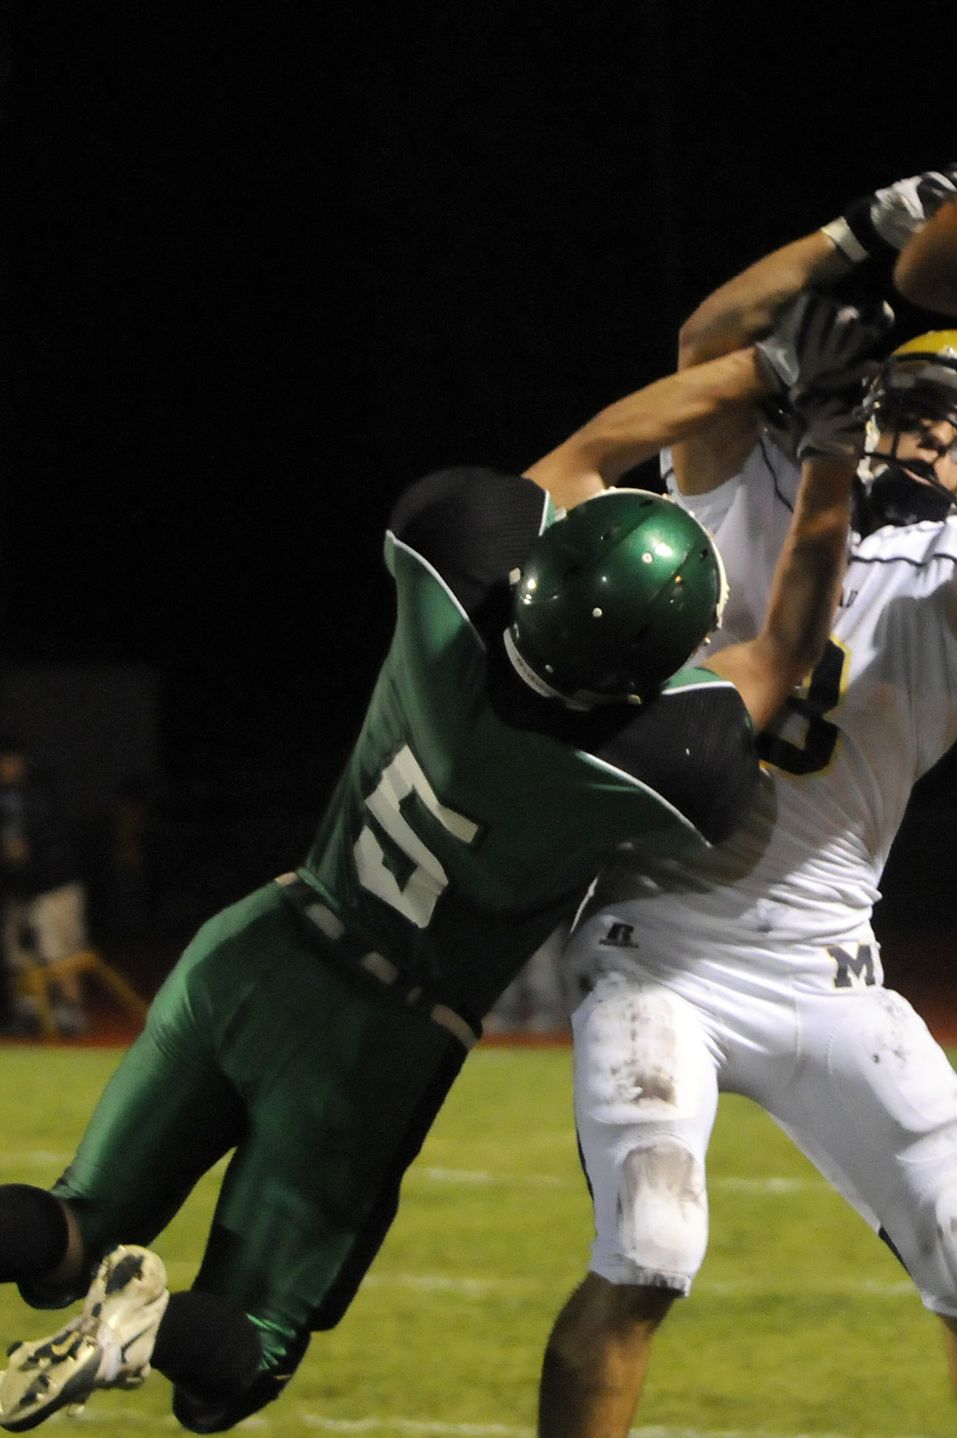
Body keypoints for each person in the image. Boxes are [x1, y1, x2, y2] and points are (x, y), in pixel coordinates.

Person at [0, 298, 882, 1435]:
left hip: (259, 944)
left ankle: (88, 1287)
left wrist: (764, 368)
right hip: (376, 1038)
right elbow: (790, 648)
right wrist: (831, 451)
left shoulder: (451, 572)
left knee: (69, 1228)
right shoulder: (651, 763)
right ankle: (142, 1333)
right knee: (235, 1370)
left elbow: (585, 456)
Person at [538, 167, 957, 1438]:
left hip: (829, 972)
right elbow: (708, 341)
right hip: (656, 949)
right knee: (651, 1249)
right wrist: (860, 233)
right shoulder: (758, 486)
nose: (931, 442)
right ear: (872, 406)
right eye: (916, 414)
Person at [0, 738, 91, 1037]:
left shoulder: (40, 794)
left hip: (55, 886)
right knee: (17, 954)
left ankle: (71, 1012)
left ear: (19, 762)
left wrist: (28, 849)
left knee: (58, 952)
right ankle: (29, 1012)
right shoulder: (6, 798)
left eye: (8, 761)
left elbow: (51, 842)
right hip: (20, 890)